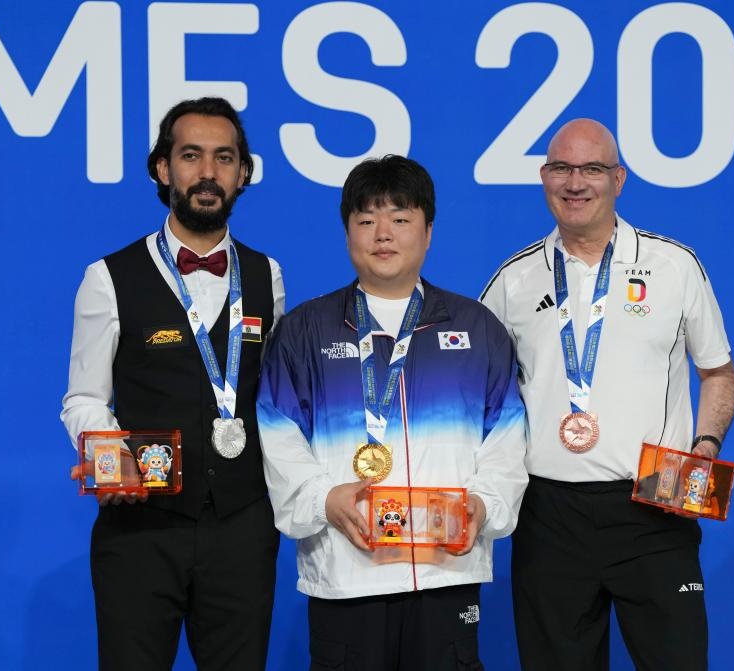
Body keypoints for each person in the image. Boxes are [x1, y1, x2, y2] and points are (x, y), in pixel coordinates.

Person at [480, 119, 734, 671]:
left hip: (656, 500)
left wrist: (706, 445)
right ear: (544, 177)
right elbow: (478, 392)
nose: (575, 183)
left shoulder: (674, 267)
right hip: (547, 515)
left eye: (592, 169)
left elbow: (718, 372)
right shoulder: (512, 281)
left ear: (618, 179)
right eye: (561, 168)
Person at [257, 155, 528, 670]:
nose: (383, 234)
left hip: (448, 569)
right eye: (366, 220)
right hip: (346, 571)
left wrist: (484, 504)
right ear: (347, 233)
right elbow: (278, 430)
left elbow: (507, 435)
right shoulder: (304, 330)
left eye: (400, 218)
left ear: (428, 232)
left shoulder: (477, 328)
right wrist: (322, 498)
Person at [61, 97, 284, 670]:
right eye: (191, 156)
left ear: (243, 174)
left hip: (242, 527)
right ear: (163, 169)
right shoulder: (108, 277)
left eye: (224, 158)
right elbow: (84, 397)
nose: (208, 172)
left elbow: (274, 399)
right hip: (141, 529)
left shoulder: (268, 276)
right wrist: (111, 456)